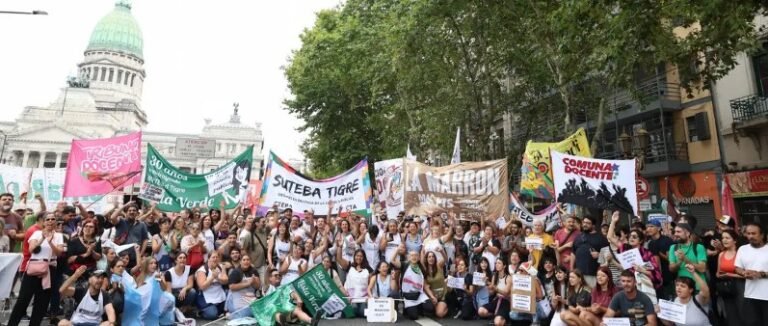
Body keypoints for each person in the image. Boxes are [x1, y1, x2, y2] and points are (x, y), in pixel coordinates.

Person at [8, 211, 66, 326]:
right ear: (43, 222)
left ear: (56, 222)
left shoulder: (59, 236)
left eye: (53, 219)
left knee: (42, 302)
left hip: (49, 270)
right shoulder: (36, 233)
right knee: (23, 299)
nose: (50, 221)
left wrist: (51, 243)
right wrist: (42, 239)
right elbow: (32, 250)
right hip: (33, 268)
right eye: (47, 219)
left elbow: (59, 253)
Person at [734, 222, 768, 326]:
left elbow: (760, 274)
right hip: (750, 296)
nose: (750, 236)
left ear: (762, 235)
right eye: (748, 233)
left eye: (754, 233)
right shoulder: (742, 249)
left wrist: (760, 274)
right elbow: (737, 268)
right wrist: (743, 272)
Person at [715, 229, 746, 325]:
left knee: (743, 313)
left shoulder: (741, 254)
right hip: (726, 287)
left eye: (727, 238)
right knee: (730, 313)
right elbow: (717, 273)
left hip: (740, 286)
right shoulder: (721, 254)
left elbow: (747, 275)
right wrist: (720, 275)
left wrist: (729, 274)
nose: (724, 240)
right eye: (723, 238)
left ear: (735, 240)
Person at [571, 215, 608, 288]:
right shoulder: (579, 237)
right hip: (578, 274)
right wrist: (571, 269)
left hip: (592, 274)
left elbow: (608, 254)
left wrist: (599, 255)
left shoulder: (601, 238)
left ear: (593, 225)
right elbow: (573, 253)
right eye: (584, 222)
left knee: (592, 295)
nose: (584, 224)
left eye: (588, 223)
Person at [669, 223, 707, 289]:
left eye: (679, 232)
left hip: (698, 287)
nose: (675, 234)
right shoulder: (673, 248)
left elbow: (702, 269)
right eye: (675, 232)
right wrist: (679, 262)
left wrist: (685, 259)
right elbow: (671, 269)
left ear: (687, 233)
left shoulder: (698, 247)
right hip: (683, 288)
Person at [646, 219, 675, 300]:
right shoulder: (650, 243)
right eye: (647, 227)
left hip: (668, 277)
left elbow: (671, 259)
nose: (649, 229)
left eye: (651, 226)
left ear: (659, 228)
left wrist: (659, 254)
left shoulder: (667, 241)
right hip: (656, 277)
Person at [478, 257, 512, 326]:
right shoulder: (495, 276)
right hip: (496, 299)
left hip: (506, 301)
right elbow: (491, 293)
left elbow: (506, 293)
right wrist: (487, 284)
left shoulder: (509, 277)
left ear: (504, 266)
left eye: (499, 263)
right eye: (496, 263)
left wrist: (495, 287)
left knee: (498, 323)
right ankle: (496, 316)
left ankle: (503, 319)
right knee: (480, 311)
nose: (496, 264)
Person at [195, 251, 229, 319]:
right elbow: (202, 287)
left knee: (228, 292)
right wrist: (212, 278)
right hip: (205, 296)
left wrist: (217, 278)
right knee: (212, 315)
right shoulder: (202, 270)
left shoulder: (221, 267)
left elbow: (225, 281)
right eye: (213, 257)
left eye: (217, 257)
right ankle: (202, 312)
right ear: (208, 259)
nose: (215, 259)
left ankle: (218, 310)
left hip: (218, 293)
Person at [338, 247, 370, 317]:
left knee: (364, 314)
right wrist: (339, 247)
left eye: (361, 256)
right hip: (351, 298)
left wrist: (370, 297)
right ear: (354, 256)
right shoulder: (349, 266)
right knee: (353, 310)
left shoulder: (368, 269)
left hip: (363, 298)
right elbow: (339, 259)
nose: (359, 258)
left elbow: (371, 283)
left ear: (364, 257)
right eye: (357, 256)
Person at [226, 254, 260, 319]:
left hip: (250, 298)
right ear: (240, 262)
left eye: (248, 260)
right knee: (246, 313)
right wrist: (248, 283)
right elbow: (231, 287)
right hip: (236, 299)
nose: (246, 262)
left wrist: (254, 282)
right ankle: (231, 315)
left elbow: (257, 286)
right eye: (244, 260)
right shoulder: (236, 272)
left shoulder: (254, 271)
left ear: (250, 261)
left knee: (257, 309)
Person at [400, 250, 431, 320]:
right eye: (412, 255)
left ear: (419, 257)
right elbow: (392, 261)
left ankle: (419, 307)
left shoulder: (421, 267)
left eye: (416, 255)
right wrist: (397, 250)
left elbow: (424, 284)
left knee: (430, 307)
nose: (414, 257)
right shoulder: (404, 265)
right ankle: (407, 308)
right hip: (408, 296)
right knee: (414, 317)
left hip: (419, 294)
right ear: (408, 257)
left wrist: (432, 296)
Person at [423, 251, 449, 318]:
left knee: (439, 314)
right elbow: (425, 286)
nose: (431, 258)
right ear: (426, 259)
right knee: (429, 309)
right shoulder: (424, 270)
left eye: (433, 256)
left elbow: (446, 259)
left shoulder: (438, 265)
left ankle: (448, 307)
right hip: (433, 295)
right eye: (429, 257)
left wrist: (441, 251)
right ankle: (437, 307)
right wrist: (432, 297)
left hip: (443, 294)